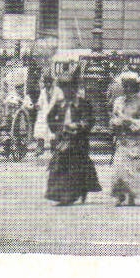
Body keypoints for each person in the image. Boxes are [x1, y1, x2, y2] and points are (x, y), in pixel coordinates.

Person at [44, 74, 101, 205]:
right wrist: (57, 130)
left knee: (76, 166)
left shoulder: (83, 103)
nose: (66, 92)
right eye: (63, 88)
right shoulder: (60, 104)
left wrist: (79, 126)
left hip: (78, 140)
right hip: (63, 139)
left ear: (74, 89)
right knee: (60, 165)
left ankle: (73, 194)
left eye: (69, 88)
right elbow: (50, 117)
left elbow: (89, 119)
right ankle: (61, 195)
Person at [108, 71, 140, 207]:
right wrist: (115, 123)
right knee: (119, 168)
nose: (127, 89)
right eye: (125, 86)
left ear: (135, 86)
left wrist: (129, 122)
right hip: (122, 140)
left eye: (129, 86)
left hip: (135, 141)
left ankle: (132, 196)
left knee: (133, 169)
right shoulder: (118, 101)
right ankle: (120, 195)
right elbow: (113, 117)